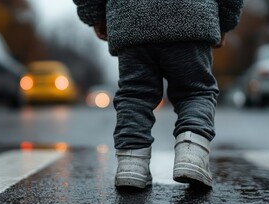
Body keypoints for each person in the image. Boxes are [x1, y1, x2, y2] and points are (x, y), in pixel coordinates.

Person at [73, 0, 244, 188]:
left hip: (130, 17)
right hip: (191, 14)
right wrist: (225, 20)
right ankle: (192, 153)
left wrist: (96, 16)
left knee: (135, 94)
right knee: (194, 91)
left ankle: (132, 163)